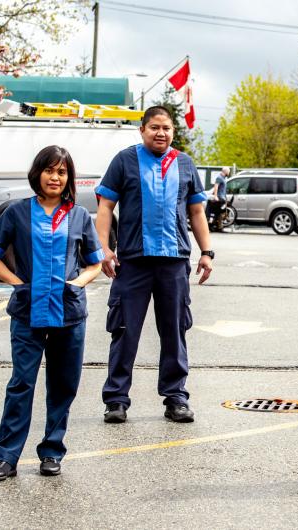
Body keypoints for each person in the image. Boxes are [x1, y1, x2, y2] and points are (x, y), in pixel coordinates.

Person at [0, 146, 104, 481]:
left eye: (62, 172)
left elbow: (95, 264)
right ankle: (6, 458)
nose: (55, 177)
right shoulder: (17, 212)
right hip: (26, 313)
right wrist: (18, 284)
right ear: (38, 174)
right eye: (50, 170)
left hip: (69, 314)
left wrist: (76, 283)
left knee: (63, 385)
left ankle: (52, 451)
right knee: (21, 383)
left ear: (69, 179)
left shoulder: (79, 215)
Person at [95, 106, 213, 424]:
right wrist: (103, 249)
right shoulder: (124, 160)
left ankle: (176, 398)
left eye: (166, 128)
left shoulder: (185, 163)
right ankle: (116, 400)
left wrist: (207, 252)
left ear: (173, 132)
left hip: (173, 263)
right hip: (132, 262)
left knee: (175, 331)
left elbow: (197, 212)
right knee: (124, 330)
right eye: (154, 127)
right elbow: (105, 206)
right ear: (142, 129)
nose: (160, 133)